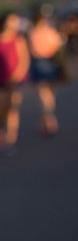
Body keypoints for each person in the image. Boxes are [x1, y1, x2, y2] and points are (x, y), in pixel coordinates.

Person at [28, 9, 64, 136]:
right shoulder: (50, 32)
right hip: (51, 61)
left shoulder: (33, 33)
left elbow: (33, 50)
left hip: (38, 62)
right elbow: (58, 44)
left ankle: (47, 118)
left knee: (43, 93)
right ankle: (48, 118)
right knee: (50, 93)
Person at [0, 12, 30, 156]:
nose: (16, 24)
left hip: (14, 81)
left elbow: (24, 59)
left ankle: (10, 139)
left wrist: (16, 76)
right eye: (13, 21)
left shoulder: (18, 39)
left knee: (13, 109)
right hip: (1, 80)